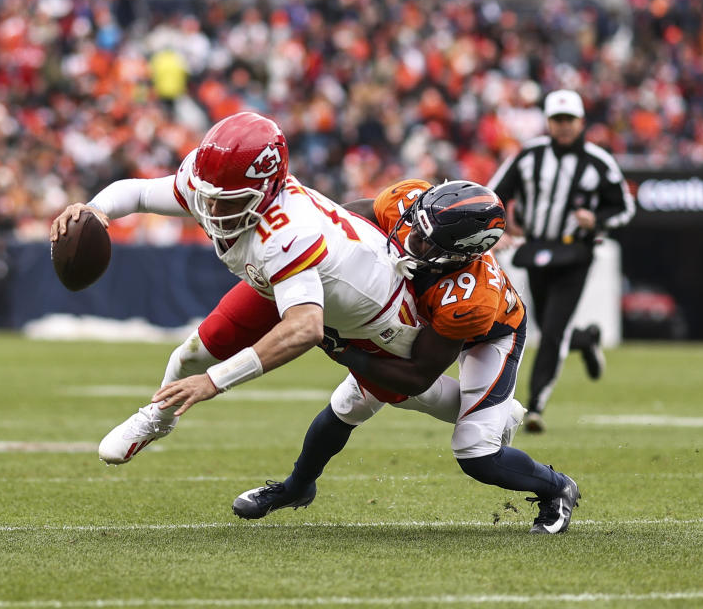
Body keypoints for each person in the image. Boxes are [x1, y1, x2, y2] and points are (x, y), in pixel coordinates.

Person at [50, 112, 423, 464]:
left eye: (227, 200)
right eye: (208, 195)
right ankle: (159, 418)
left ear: (267, 190)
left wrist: (214, 381)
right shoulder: (211, 182)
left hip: (379, 317)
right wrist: (96, 210)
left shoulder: (285, 230)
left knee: (433, 407)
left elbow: (304, 328)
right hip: (290, 282)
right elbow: (142, 193)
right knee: (189, 355)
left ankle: (482, 406)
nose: (210, 207)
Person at [232, 179, 581, 535]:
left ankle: (557, 487)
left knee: (476, 451)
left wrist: (343, 350)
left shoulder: (470, 297)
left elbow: (417, 375)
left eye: (428, 242)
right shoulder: (408, 200)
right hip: (420, 316)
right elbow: (345, 219)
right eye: (417, 226)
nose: (413, 238)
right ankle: (297, 487)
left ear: (460, 254)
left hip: (488, 336)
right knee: (347, 404)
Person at [487, 89, 635, 433]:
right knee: (548, 327)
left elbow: (624, 207)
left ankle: (536, 405)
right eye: (557, 120)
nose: (564, 126)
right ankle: (585, 339)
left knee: (552, 330)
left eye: (569, 120)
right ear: (548, 122)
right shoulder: (529, 155)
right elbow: (495, 193)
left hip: (575, 254)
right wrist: (499, 230)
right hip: (536, 249)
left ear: (581, 121)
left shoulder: (598, 161)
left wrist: (596, 220)